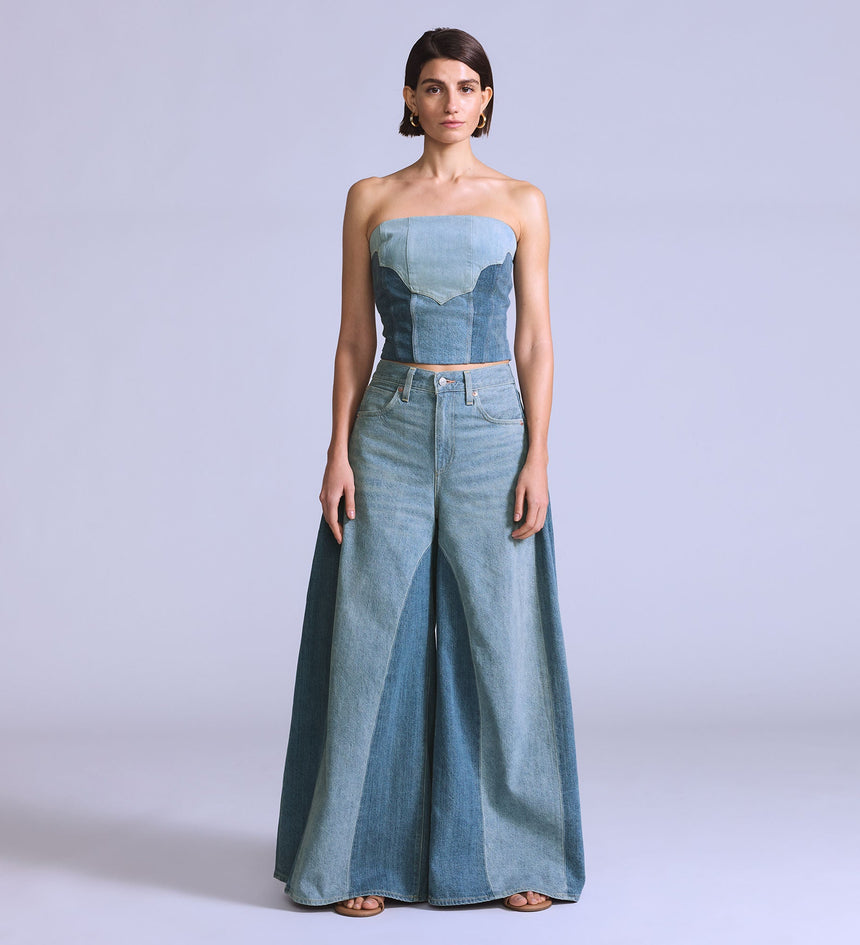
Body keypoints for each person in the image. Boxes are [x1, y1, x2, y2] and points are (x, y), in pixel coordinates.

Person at [273, 26, 585, 917]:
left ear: (488, 100)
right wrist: (336, 449)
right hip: (392, 423)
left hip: (492, 428)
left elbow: (536, 339)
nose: (452, 103)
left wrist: (539, 453)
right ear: (410, 99)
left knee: (504, 637)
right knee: (369, 637)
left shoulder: (521, 200)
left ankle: (520, 852)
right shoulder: (370, 197)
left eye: (467, 87)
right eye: (435, 87)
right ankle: (355, 857)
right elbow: (352, 338)